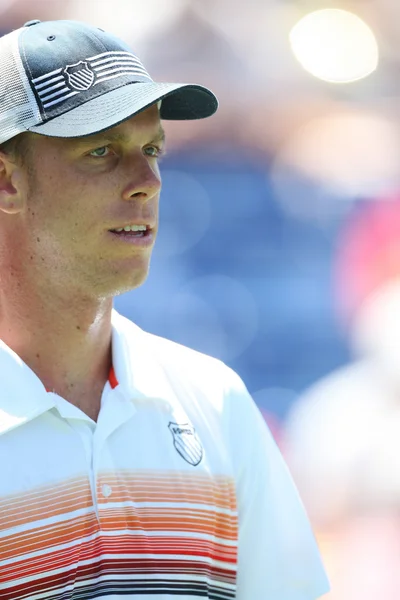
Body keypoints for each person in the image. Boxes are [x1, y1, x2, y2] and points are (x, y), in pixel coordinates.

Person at [0, 18, 329, 600]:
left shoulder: (215, 399)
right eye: (101, 151)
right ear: (6, 180)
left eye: (152, 148)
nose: (146, 181)